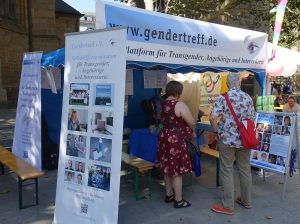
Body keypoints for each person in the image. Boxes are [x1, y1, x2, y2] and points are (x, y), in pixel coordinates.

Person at [210, 73, 255, 215]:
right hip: (245, 139)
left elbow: (212, 118)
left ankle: (228, 206)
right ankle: (247, 201)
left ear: (227, 84)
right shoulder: (248, 97)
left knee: (227, 170)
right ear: (239, 83)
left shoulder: (223, 98)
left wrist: (217, 132)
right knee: (244, 168)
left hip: (227, 140)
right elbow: (252, 118)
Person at [156, 81, 195, 208]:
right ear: (178, 93)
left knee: (167, 167)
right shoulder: (179, 104)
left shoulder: (163, 104)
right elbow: (192, 122)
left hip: (164, 138)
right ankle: (178, 200)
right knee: (177, 169)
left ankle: (169, 194)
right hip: (176, 140)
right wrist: (191, 130)